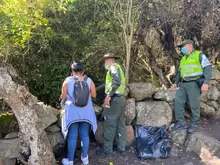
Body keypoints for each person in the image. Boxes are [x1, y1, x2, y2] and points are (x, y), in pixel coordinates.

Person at [171, 39, 212, 133]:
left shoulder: (199, 55)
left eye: (182, 47)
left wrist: (205, 83)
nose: (181, 49)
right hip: (183, 84)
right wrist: (175, 83)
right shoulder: (183, 59)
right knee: (178, 102)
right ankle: (181, 123)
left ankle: (194, 124)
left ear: (189, 46)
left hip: (194, 83)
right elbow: (179, 73)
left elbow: (208, 68)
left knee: (194, 105)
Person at [60, 61, 97, 165]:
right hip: (86, 112)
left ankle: (70, 161)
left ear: (72, 71)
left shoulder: (67, 81)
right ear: (83, 71)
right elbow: (94, 95)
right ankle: (85, 159)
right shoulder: (89, 80)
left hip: (72, 113)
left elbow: (63, 97)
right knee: (85, 135)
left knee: (72, 136)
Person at [96, 53, 127, 156]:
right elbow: (108, 84)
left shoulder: (113, 68)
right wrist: (96, 90)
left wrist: (108, 96)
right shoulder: (118, 68)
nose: (105, 64)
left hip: (114, 99)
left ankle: (107, 150)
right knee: (120, 124)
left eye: (105, 62)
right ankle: (121, 148)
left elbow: (116, 81)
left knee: (109, 123)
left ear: (109, 60)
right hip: (121, 99)